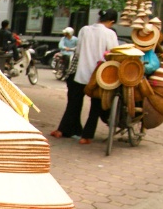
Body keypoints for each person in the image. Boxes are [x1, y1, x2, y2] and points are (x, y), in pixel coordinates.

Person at [50, 9, 119, 143]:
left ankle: (64, 129)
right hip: (98, 75)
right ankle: (86, 136)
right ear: (112, 22)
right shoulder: (110, 33)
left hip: (80, 73)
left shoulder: (84, 30)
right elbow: (113, 54)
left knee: (74, 103)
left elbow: (79, 51)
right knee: (95, 106)